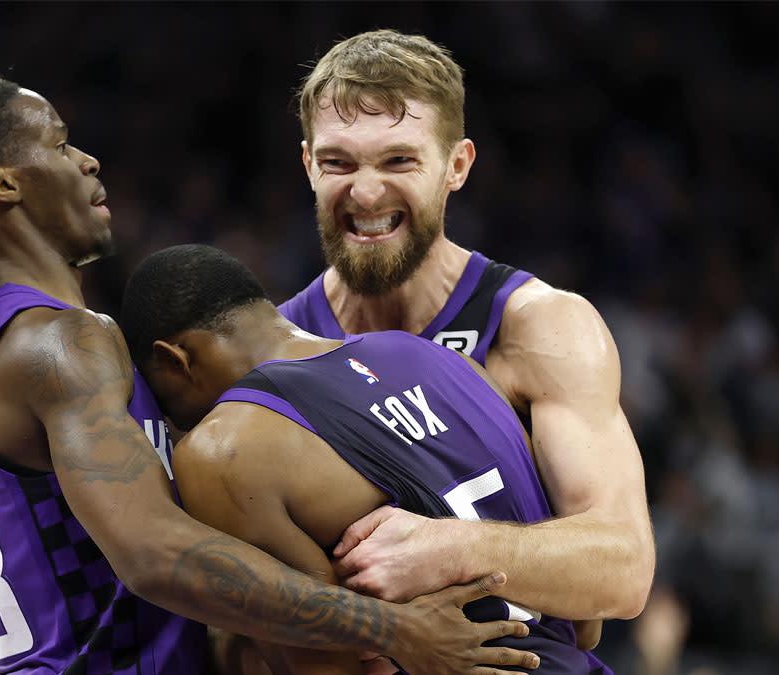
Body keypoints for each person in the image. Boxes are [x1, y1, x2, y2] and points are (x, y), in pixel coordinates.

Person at [0, 74, 536, 674]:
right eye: (58, 144)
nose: (86, 159)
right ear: (0, 184)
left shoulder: (44, 336)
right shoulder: (57, 342)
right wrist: (395, 627)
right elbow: (154, 555)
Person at [279, 29, 656, 629]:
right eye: (337, 162)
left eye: (399, 159)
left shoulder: (538, 326)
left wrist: (452, 549)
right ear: (308, 165)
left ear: (457, 165)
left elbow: (625, 567)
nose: (366, 189)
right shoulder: (275, 354)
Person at [121, 243, 612, 674]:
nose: (180, 423)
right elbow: (587, 625)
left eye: (166, 405)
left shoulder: (219, 449)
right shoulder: (446, 360)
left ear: (173, 361)